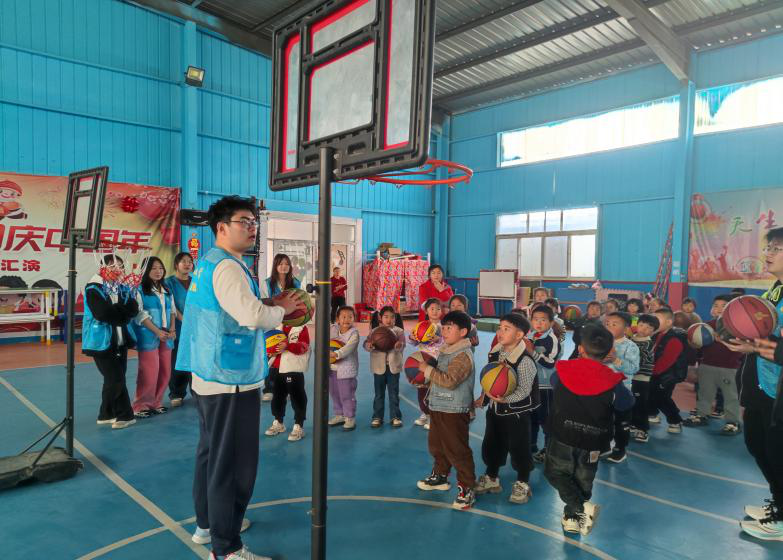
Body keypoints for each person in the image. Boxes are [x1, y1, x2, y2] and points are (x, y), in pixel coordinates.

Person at [176, 196, 302, 560]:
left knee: (211, 455)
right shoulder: (228, 268)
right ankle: (226, 548)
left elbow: (233, 308)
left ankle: (209, 524)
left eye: (253, 222)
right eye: (244, 221)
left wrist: (268, 303)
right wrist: (282, 308)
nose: (252, 228)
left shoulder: (209, 263)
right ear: (221, 227)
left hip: (209, 374)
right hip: (230, 380)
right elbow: (252, 316)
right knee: (233, 464)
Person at [545, 324, 634, 536]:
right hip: (594, 441)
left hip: (563, 436)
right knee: (583, 478)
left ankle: (580, 508)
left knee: (555, 472)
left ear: (580, 349)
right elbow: (626, 403)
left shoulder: (563, 371)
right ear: (609, 352)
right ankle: (573, 517)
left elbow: (553, 382)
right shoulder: (612, 381)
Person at [725, 228, 783, 541]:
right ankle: (778, 501)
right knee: (757, 445)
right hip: (760, 384)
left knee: (778, 452)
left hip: (777, 390)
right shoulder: (774, 291)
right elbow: (764, 339)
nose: (768, 253)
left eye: (776, 248)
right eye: (768, 247)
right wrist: (749, 344)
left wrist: (764, 347)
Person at [414, 311, 477, 510]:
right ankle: (440, 476)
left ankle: (467, 488)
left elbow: (449, 381)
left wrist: (427, 370)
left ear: (463, 332)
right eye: (444, 327)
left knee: (457, 450)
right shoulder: (446, 350)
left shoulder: (463, 355)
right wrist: (424, 379)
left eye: (450, 328)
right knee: (437, 445)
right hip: (438, 406)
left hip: (454, 410)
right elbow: (437, 376)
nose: (445, 331)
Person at [474, 313, 539, 504]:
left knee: (520, 448)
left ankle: (522, 482)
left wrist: (506, 399)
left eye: (506, 329)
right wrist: (484, 397)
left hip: (516, 414)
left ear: (519, 335)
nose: (500, 332)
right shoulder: (496, 352)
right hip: (495, 410)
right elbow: (490, 379)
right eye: (500, 327)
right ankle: (491, 477)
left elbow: (525, 391)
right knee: (492, 444)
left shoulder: (525, 361)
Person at [82, 255, 139, 430]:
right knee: (116, 378)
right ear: (102, 267)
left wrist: (118, 312)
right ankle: (126, 415)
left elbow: (134, 308)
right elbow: (102, 313)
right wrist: (122, 313)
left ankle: (106, 413)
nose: (117, 269)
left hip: (120, 341)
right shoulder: (93, 288)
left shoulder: (122, 288)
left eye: (120, 266)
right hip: (100, 342)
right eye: (112, 265)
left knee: (113, 379)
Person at [683, 294, 742, 434]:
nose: (719, 309)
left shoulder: (737, 327)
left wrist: (722, 339)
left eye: (724, 306)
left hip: (729, 367)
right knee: (704, 393)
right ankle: (701, 415)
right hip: (707, 365)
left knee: (731, 396)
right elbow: (698, 346)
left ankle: (733, 422)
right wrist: (693, 342)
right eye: (716, 305)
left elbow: (741, 346)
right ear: (711, 309)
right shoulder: (706, 326)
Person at [131, 256, 177, 418]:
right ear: (145, 271)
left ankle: (156, 402)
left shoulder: (166, 290)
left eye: (161, 268)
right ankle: (140, 405)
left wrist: (172, 329)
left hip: (166, 335)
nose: (158, 271)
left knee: (165, 370)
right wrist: (157, 331)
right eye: (154, 268)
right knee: (149, 371)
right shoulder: (139, 290)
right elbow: (139, 315)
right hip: (148, 335)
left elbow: (172, 311)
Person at [260, 253, 300, 402]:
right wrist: (280, 304)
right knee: (271, 355)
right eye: (281, 264)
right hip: (271, 324)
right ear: (275, 266)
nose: (284, 266)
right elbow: (263, 302)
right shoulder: (267, 283)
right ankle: (269, 388)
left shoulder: (296, 283)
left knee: (288, 356)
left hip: (291, 324)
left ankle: (287, 388)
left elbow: (300, 303)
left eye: (287, 264)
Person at [264, 322, 310, 442]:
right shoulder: (278, 326)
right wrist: (270, 351)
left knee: (297, 397)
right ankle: (278, 422)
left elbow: (304, 347)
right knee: (277, 397)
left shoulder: (301, 328)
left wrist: (288, 346)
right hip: (277, 368)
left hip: (293, 368)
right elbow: (269, 346)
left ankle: (299, 425)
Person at [603, 312, 640, 463]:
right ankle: (605, 444)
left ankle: (620, 449)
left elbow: (633, 368)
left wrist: (615, 359)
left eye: (614, 324)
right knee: (604, 419)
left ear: (626, 328)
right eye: (607, 324)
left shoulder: (630, 346)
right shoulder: (601, 343)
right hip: (602, 389)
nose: (609, 326)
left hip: (621, 391)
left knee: (621, 421)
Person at [528, 305, 560, 463]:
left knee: (546, 419)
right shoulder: (531, 336)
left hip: (545, 386)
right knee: (531, 417)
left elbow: (550, 362)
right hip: (531, 384)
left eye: (543, 320)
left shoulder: (551, 339)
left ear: (551, 323)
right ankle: (531, 445)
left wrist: (532, 352)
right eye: (535, 319)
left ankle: (549, 450)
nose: (539, 323)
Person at [365, 306, 406, 428]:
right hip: (379, 368)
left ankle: (395, 417)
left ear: (395, 318)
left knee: (394, 393)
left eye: (392, 317)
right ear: (380, 318)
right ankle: (377, 417)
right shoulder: (374, 331)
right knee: (379, 394)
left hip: (393, 368)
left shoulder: (399, 331)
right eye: (386, 317)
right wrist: (369, 345)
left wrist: (399, 345)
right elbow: (366, 344)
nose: (389, 320)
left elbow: (403, 345)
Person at [649, 307, 688, 433]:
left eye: (657, 319)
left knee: (663, 399)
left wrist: (651, 371)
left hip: (668, 375)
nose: (653, 322)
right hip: (655, 373)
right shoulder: (657, 334)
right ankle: (652, 414)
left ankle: (675, 421)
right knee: (651, 394)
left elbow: (667, 361)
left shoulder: (675, 338)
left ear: (669, 322)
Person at [411, 298, 446, 430]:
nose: (435, 311)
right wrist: (412, 338)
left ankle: (434, 417)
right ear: (426, 311)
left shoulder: (444, 327)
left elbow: (447, 343)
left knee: (434, 390)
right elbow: (414, 342)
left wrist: (439, 339)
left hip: (437, 363)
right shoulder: (421, 325)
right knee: (421, 388)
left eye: (438, 309)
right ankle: (425, 413)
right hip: (422, 361)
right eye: (432, 309)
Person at [165, 252, 193, 407]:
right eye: (184, 261)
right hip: (178, 327)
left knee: (196, 361)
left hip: (196, 328)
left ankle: (197, 392)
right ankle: (177, 393)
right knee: (177, 360)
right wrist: (184, 320)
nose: (187, 264)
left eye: (190, 261)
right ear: (176, 265)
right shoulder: (168, 283)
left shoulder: (196, 281)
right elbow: (170, 305)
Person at [329, 306, 360, 431]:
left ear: (354, 319)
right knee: (334, 393)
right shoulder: (333, 329)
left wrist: (337, 353)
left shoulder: (354, 333)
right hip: (332, 368)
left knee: (346, 394)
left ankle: (349, 416)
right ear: (337, 319)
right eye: (344, 317)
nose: (347, 319)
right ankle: (339, 414)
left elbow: (349, 347)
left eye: (350, 317)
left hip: (346, 369)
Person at [629, 314, 659, 443]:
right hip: (629, 377)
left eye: (648, 328)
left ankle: (643, 429)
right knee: (630, 402)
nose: (643, 329)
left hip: (641, 379)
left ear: (653, 331)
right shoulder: (630, 339)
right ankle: (632, 423)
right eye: (641, 325)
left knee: (640, 404)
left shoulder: (648, 344)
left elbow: (638, 361)